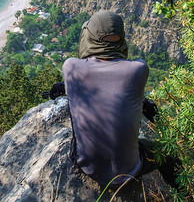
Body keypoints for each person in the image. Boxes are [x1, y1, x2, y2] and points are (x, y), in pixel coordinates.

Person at [49, 10, 181, 190]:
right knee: (169, 154)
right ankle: (185, 195)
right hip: (128, 171)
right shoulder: (138, 70)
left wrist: (65, 86)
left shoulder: (71, 67)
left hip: (85, 164)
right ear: (121, 38)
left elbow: (94, 79)